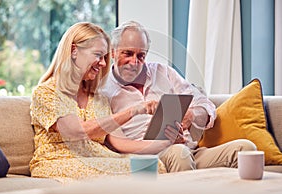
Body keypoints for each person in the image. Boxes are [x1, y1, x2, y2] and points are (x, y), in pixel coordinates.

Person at [29, 22, 188, 180]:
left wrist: (165, 143)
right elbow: (77, 131)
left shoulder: (97, 98)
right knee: (128, 174)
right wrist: (133, 110)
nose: (104, 63)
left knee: (154, 166)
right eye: (98, 55)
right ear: (74, 51)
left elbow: (119, 143)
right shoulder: (46, 93)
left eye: (105, 57)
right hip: (59, 161)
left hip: (98, 158)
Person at [100, 20, 257, 172]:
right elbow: (113, 142)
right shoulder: (103, 90)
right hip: (151, 158)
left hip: (189, 150)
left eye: (141, 56)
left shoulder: (164, 73)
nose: (134, 62)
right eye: (128, 53)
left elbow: (205, 105)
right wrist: (163, 144)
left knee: (246, 149)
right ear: (113, 52)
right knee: (178, 154)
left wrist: (192, 116)